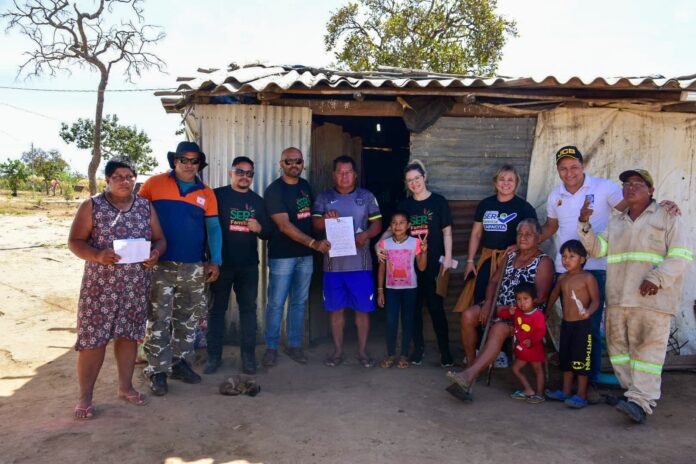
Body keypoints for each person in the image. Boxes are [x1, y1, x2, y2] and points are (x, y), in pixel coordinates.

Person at [540, 145, 679, 385]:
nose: (569, 172)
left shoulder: (604, 187)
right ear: (558, 170)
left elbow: (633, 205)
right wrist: (525, 243)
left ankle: (589, 381)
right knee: (571, 325)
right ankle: (572, 379)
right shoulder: (555, 195)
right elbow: (551, 227)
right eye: (563, 168)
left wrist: (661, 205)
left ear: (583, 166)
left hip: (597, 266)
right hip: (566, 269)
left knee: (590, 328)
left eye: (574, 167)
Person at [578, 169, 692, 423]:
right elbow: (598, 249)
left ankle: (642, 402)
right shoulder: (617, 220)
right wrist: (584, 224)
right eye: (626, 184)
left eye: (637, 184)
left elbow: (681, 255)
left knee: (648, 353)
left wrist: (656, 278)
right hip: (619, 298)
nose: (630, 188)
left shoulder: (667, 216)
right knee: (619, 351)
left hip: (653, 301)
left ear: (651, 190)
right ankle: (632, 395)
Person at [68, 156, 166, 419]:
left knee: (128, 336)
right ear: (108, 180)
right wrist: (98, 255)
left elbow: (159, 239)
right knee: (93, 340)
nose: (125, 181)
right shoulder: (92, 206)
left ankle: (126, 387)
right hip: (100, 288)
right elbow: (75, 241)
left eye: (129, 177)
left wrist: (155, 253)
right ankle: (85, 397)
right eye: (118, 177)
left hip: (135, 285)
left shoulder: (145, 207)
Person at [139, 141, 222, 396]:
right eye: (183, 160)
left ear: (199, 164)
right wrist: (142, 252)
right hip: (159, 264)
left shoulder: (206, 193)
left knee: (187, 318)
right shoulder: (154, 184)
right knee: (158, 318)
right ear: (174, 161)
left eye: (193, 161)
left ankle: (179, 363)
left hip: (193, 265)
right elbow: (139, 219)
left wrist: (215, 260)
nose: (188, 165)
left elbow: (213, 229)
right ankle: (157, 371)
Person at [448, 219, 554, 397]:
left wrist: (513, 308)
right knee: (468, 315)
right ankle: (472, 367)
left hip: (524, 315)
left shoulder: (544, 262)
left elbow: (541, 296)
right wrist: (489, 303)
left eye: (528, 234)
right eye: (520, 234)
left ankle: (469, 375)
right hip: (499, 307)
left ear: (539, 238)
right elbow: (493, 282)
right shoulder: (511, 256)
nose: (523, 237)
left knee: (498, 329)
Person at [379, 161, 454, 366]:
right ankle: (418, 349)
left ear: (424, 177)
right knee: (414, 311)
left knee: (436, 308)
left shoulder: (439, 202)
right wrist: (379, 244)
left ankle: (445, 352)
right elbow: (390, 229)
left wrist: (447, 258)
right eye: (410, 181)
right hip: (409, 268)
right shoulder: (405, 205)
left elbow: (447, 232)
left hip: (434, 265)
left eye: (417, 179)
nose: (414, 183)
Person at [312, 156, 382, 367]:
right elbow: (315, 224)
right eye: (340, 172)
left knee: (362, 310)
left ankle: (362, 352)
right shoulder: (324, 198)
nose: (344, 176)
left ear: (355, 174)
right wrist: (325, 220)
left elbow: (377, 225)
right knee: (336, 310)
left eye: (348, 172)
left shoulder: (366, 196)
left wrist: (366, 235)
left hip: (360, 265)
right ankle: (338, 352)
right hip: (334, 266)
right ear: (334, 174)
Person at [263, 147, 330, 367]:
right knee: (276, 303)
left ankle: (294, 345)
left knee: (299, 302)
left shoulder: (305, 187)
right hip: (283, 256)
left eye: (298, 161)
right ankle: (271, 348)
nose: (294, 165)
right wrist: (313, 243)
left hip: (305, 257)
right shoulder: (274, 190)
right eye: (289, 161)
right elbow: (284, 225)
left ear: (303, 164)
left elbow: (312, 218)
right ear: (281, 164)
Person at [205, 156, 271, 375]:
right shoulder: (217, 195)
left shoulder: (257, 201)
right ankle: (213, 357)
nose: (245, 177)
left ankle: (248, 357)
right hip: (220, 265)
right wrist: (207, 259)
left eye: (249, 173)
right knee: (216, 310)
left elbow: (269, 233)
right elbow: (204, 227)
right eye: (240, 172)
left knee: (248, 311)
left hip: (248, 266)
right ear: (230, 173)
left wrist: (259, 227)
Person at [454, 165, 537, 316]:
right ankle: (481, 338)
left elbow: (535, 235)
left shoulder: (524, 207)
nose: (506, 183)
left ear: (516, 183)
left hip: (512, 260)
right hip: (487, 258)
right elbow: (476, 234)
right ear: (495, 182)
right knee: (481, 297)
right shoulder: (486, 205)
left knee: (506, 301)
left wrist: (517, 246)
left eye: (510, 180)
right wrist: (470, 261)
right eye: (502, 179)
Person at [545, 240, 600, 409]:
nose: (566, 260)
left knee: (581, 361)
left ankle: (581, 395)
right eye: (563, 257)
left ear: (583, 259)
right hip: (567, 325)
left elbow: (596, 301)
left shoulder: (588, 278)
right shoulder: (562, 278)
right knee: (566, 359)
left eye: (571, 256)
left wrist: (588, 312)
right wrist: (545, 312)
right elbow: (553, 295)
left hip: (583, 327)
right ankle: (566, 391)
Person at [377, 211, 427, 369]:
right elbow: (382, 268)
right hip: (391, 289)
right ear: (390, 226)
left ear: (408, 225)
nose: (398, 226)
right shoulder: (385, 244)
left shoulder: (415, 243)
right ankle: (391, 354)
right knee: (391, 321)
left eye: (401, 222)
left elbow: (422, 267)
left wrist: (424, 251)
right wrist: (380, 290)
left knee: (408, 321)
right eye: (394, 222)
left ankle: (404, 354)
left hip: (410, 288)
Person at [503, 282, 547, 404]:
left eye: (526, 299)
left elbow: (541, 331)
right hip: (522, 350)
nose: (522, 302)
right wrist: (509, 312)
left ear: (534, 300)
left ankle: (539, 393)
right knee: (515, 369)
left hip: (534, 350)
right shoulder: (517, 311)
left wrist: (531, 340)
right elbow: (504, 314)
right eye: (518, 299)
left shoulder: (538, 315)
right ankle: (528, 389)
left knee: (538, 370)